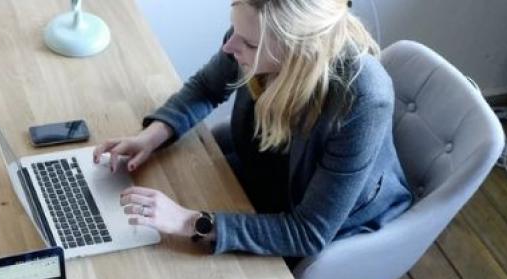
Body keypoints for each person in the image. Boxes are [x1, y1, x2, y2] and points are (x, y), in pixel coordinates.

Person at [96, 0, 412, 260]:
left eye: (247, 43)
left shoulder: (363, 99)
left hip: (319, 218)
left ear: (299, 51)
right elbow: (208, 87)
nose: (230, 46)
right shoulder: (253, 30)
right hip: (265, 168)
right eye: (235, 29)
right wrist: (152, 136)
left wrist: (188, 221)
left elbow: (308, 231)